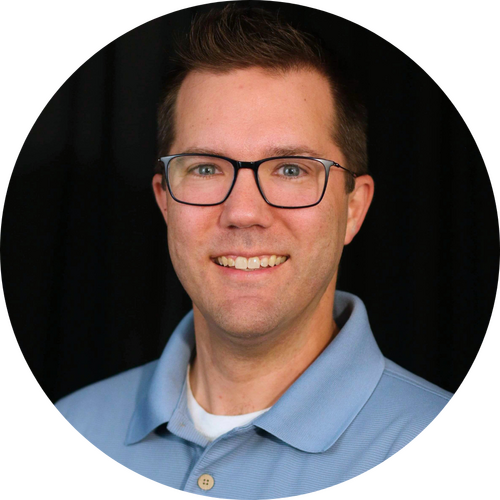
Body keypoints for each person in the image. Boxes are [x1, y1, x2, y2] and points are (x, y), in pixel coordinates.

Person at [52, 4, 455, 498]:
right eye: (205, 168)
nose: (243, 212)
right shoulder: (75, 425)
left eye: (290, 169)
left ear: (353, 209)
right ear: (165, 201)